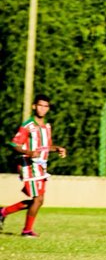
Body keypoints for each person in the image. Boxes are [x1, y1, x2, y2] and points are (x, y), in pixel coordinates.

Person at [1, 95, 67, 237]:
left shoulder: (47, 126)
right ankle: (27, 231)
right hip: (28, 166)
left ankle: (3, 212)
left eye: (46, 106)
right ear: (34, 106)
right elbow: (15, 145)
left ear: (48, 109)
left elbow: (45, 146)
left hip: (41, 167)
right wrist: (29, 152)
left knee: (37, 200)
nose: (43, 109)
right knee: (38, 199)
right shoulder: (28, 126)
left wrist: (57, 149)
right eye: (40, 105)